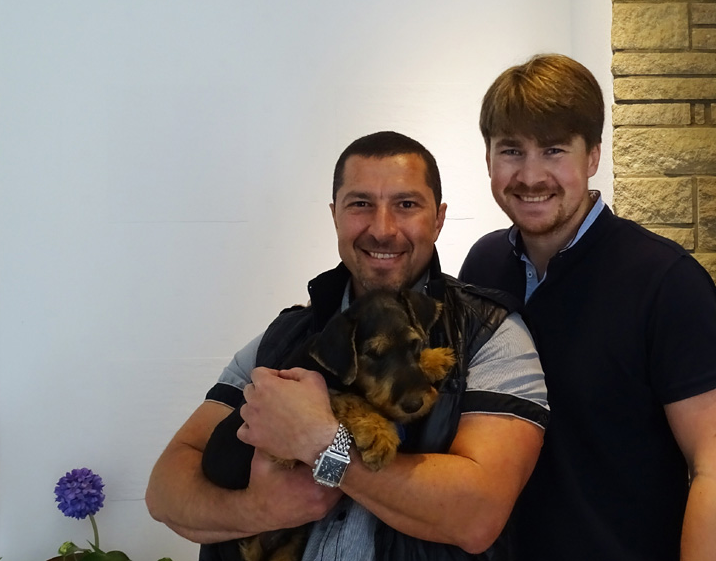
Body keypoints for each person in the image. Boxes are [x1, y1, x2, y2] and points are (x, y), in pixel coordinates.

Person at [145, 130, 548, 561]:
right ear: (335, 215)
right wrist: (260, 509)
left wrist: (324, 446)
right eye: (360, 204)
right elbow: (164, 491)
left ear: (438, 219)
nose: (382, 229)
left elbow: (476, 517)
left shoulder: (490, 334)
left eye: (406, 205)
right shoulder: (283, 337)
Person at [459, 54, 716, 561]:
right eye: (511, 151)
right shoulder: (482, 267)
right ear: (488, 158)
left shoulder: (666, 281)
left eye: (553, 150)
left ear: (593, 155)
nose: (530, 175)